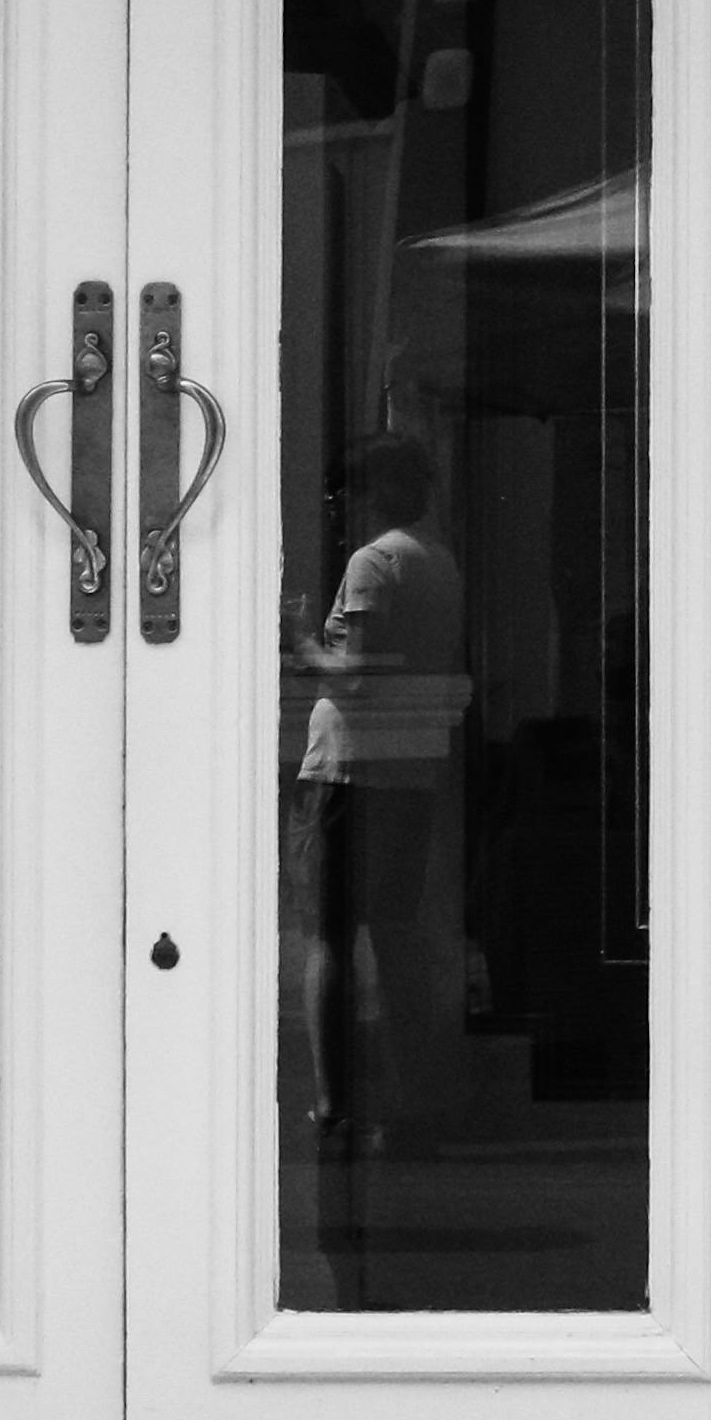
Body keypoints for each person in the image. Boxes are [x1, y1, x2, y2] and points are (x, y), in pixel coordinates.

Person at [284, 428, 466, 1154]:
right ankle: (413, 1091)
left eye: (343, 493)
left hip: (345, 768)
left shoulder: (371, 562)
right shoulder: (436, 561)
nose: (335, 508)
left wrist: (299, 639)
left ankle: (333, 1103)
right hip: (408, 768)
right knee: (394, 932)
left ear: (375, 490)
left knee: (326, 935)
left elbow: (355, 674)